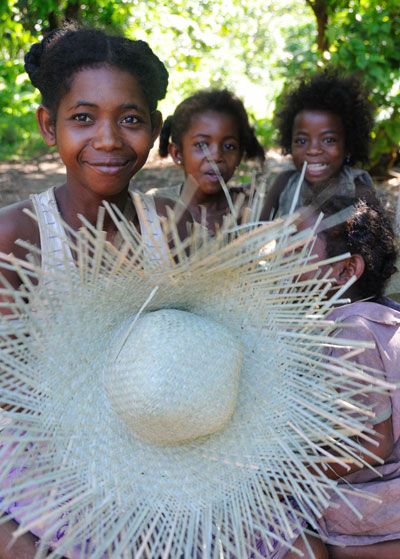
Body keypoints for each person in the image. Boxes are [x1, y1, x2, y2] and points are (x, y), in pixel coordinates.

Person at [0, 24, 191, 558]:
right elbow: (9, 387)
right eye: (83, 118)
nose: (108, 139)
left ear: (154, 130)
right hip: (45, 448)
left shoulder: (171, 225)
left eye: (129, 119)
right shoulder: (19, 236)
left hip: (163, 433)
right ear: (47, 124)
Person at [298, 196, 400, 559]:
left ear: (345, 271)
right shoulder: (385, 315)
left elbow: (374, 444)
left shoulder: (349, 332)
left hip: (375, 509)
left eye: (299, 253)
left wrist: (296, 474)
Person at [264, 70, 379, 219]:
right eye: (301, 141)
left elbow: (378, 240)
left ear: (348, 146)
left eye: (329, 140)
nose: (313, 150)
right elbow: (257, 233)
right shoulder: (285, 184)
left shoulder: (361, 193)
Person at [158, 88, 265, 232]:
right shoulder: (156, 211)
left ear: (239, 156)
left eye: (229, 146)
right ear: (178, 154)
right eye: (201, 145)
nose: (216, 156)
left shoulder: (250, 211)